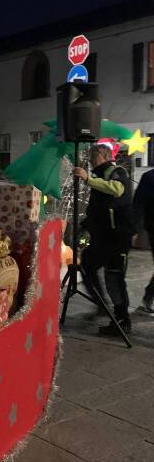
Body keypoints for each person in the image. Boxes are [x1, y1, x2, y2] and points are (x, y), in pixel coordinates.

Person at [73, 143, 134, 335]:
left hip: (116, 237)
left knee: (114, 278)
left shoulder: (117, 172)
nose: (90, 160)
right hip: (101, 238)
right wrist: (85, 225)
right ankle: (101, 304)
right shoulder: (100, 175)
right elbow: (99, 208)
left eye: (93, 156)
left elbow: (117, 190)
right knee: (87, 265)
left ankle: (122, 320)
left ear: (103, 155)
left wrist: (88, 179)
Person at [133, 167, 154, 314]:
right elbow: (138, 205)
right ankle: (148, 296)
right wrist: (136, 231)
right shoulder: (149, 177)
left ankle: (149, 295)